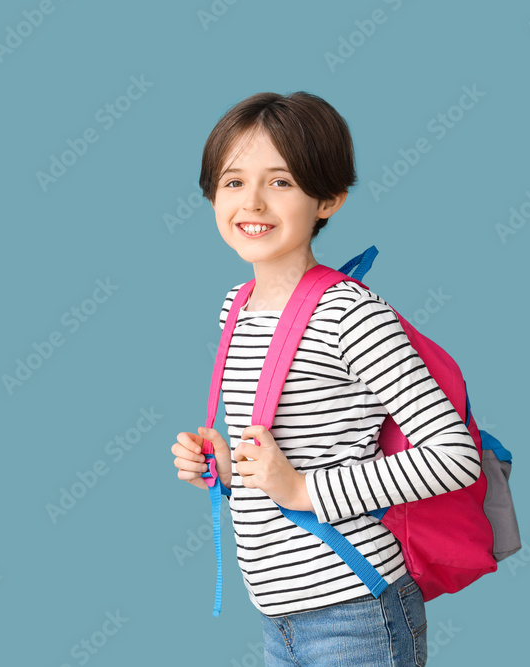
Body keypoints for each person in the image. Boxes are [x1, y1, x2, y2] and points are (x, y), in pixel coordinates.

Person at [171, 91, 482, 666]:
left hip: (356, 612)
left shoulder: (348, 313)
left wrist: (303, 491)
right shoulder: (234, 307)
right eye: (234, 181)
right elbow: (291, 450)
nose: (253, 202)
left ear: (329, 200)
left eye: (282, 182)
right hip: (276, 614)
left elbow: (455, 456)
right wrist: (220, 465)